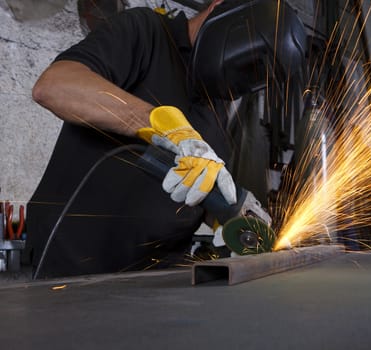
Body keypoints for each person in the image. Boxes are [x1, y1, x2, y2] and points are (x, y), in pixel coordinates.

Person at [27, 0, 307, 278]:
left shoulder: (219, 104)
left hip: (156, 281)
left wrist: (231, 212)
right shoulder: (146, 31)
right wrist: (162, 126)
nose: (241, 83)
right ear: (223, 7)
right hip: (73, 269)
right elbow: (54, 86)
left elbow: (192, 184)